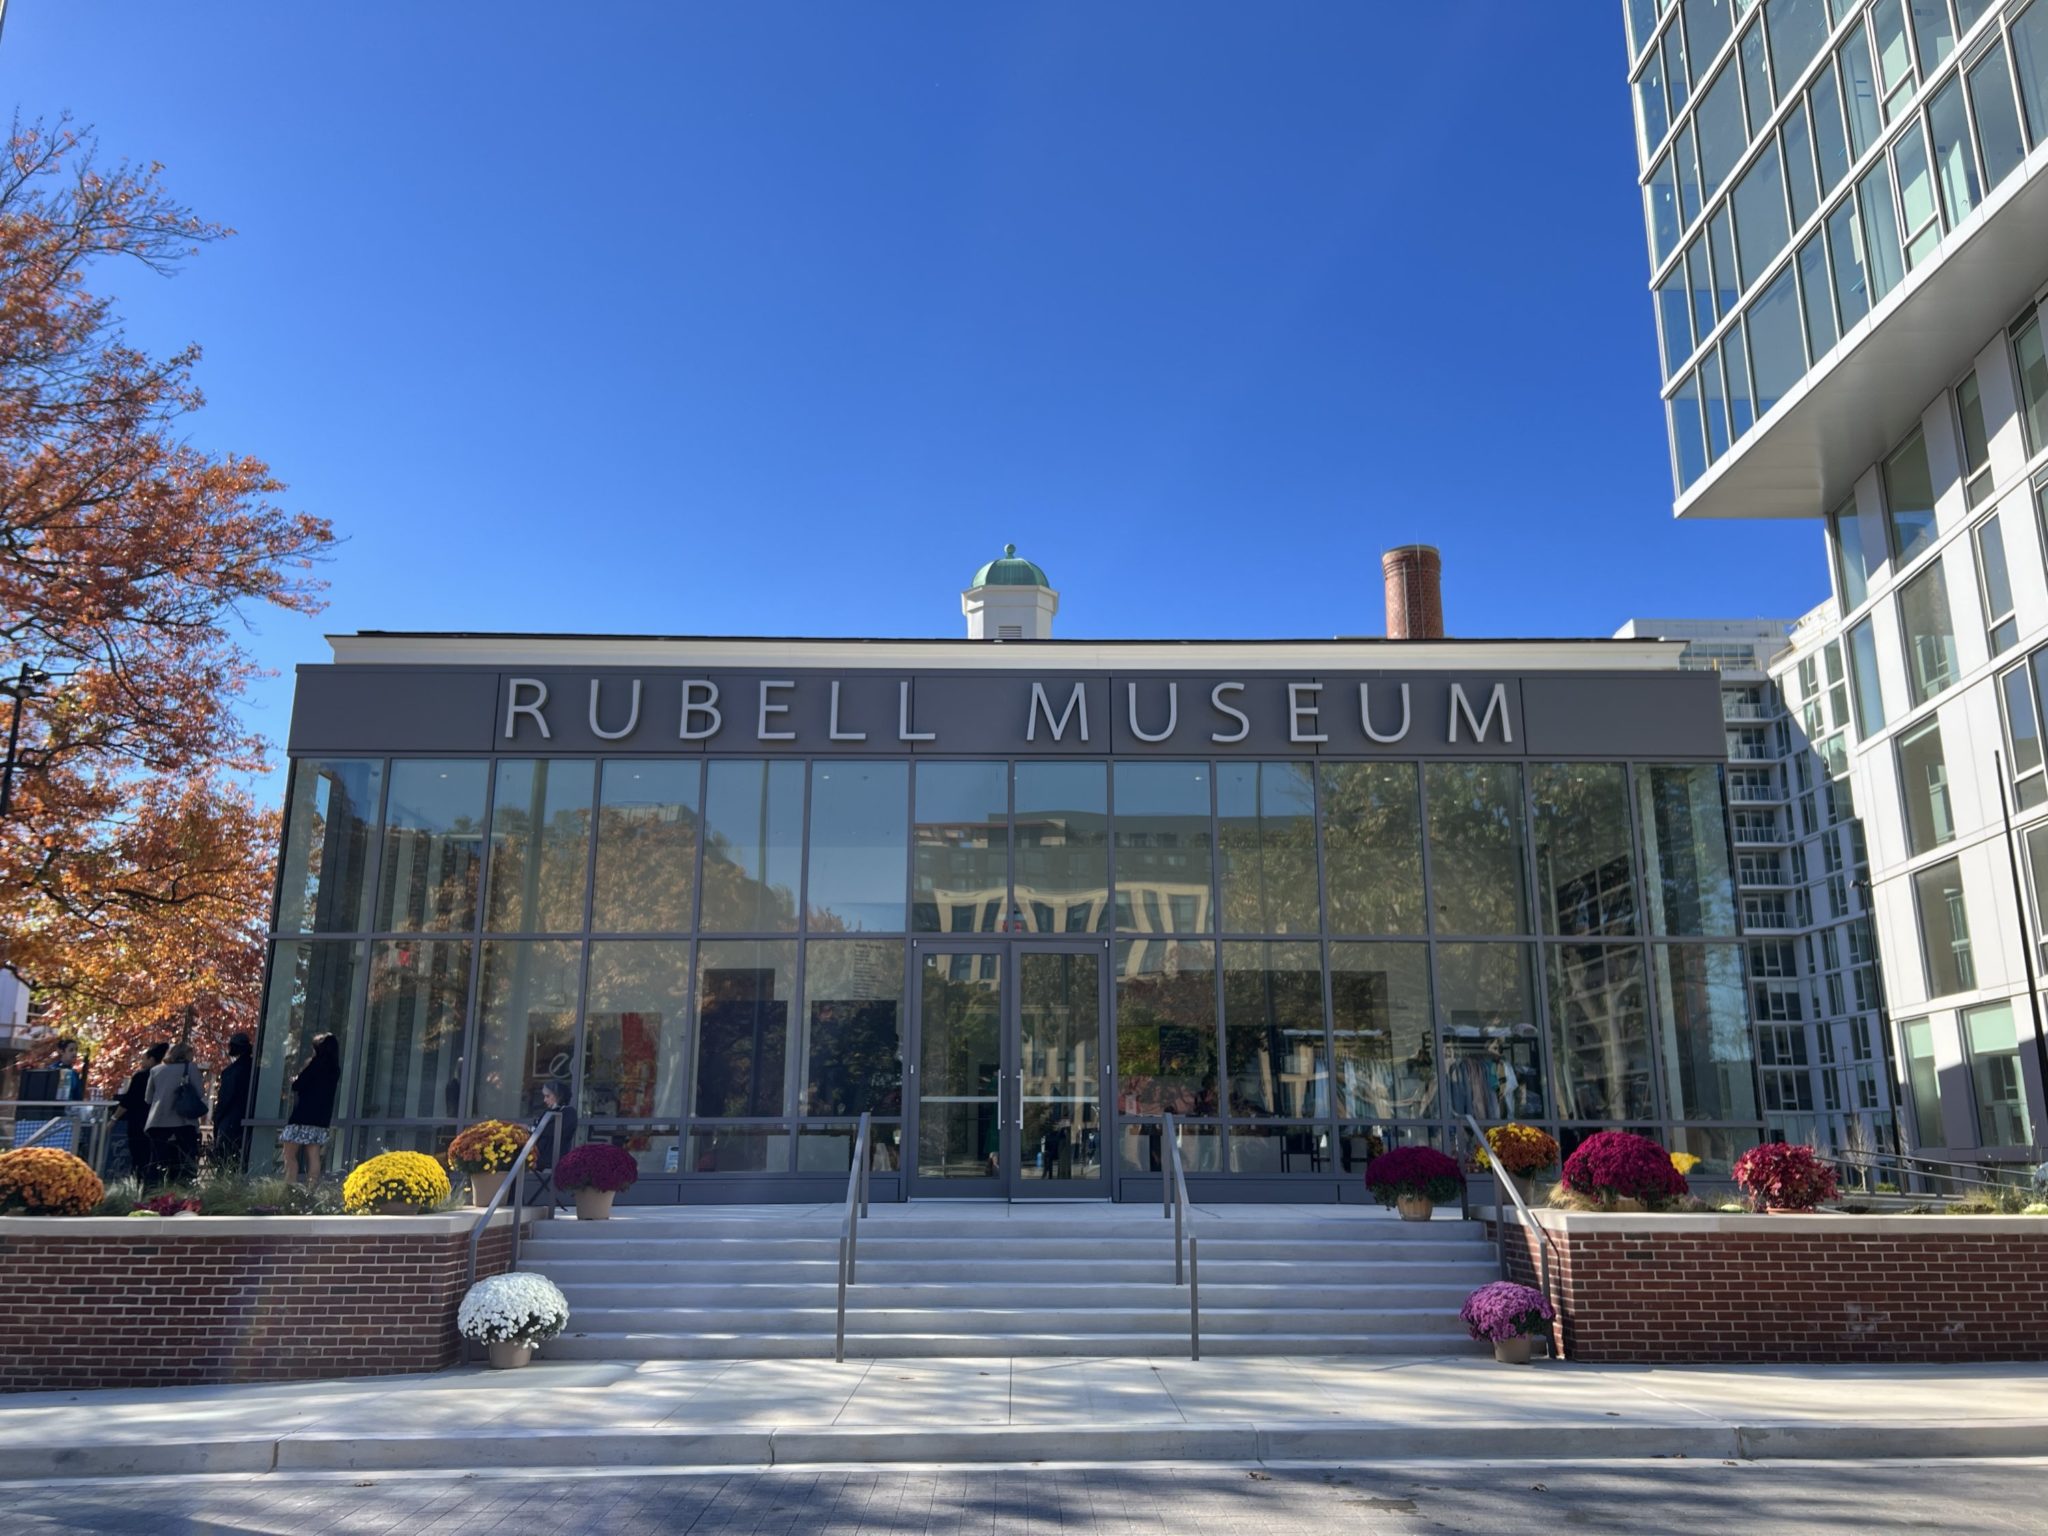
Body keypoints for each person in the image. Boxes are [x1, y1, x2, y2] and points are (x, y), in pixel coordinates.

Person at [280, 1033, 341, 1185]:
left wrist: (296, 1078)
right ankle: (310, 1191)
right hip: (321, 1119)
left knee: (289, 1154)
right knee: (313, 1156)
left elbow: (298, 1085)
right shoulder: (334, 1070)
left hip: (302, 1116)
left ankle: (290, 1187)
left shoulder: (315, 1064)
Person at [144, 1043, 204, 1188]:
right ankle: (182, 1195)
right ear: (185, 1055)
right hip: (184, 1121)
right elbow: (200, 1093)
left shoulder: (155, 1070)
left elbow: (148, 1098)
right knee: (185, 1162)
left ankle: (152, 1195)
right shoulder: (191, 1068)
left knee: (156, 1162)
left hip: (158, 1121)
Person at [116, 1042, 169, 1183]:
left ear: (151, 1059)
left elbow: (128, 1100)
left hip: (138, 1121)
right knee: (152, 1158)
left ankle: (137, 1184)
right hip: (157, 1122)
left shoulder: (141, 1077)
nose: (141, 1062)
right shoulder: (164, 1075)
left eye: (144, 1059)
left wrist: (114, 1118)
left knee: (138, 1157)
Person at [212, 1032, 253, 1169]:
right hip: (250, 1117)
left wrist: (217, 1116)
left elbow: (225, 1098)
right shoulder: (255, 1070)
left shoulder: (232, 1071)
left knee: (226, 1161)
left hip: (231, 1119)